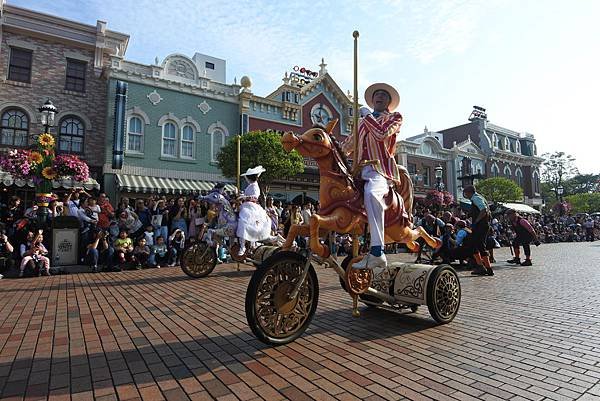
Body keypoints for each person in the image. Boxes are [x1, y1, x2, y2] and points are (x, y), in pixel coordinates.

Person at [341, 83, 409, 269]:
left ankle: (377, 251)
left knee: (372, 194)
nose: (378, 97)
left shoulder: (394, 117)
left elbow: (381, 134)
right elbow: (347, 146)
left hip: (379, 170)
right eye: (376, 95)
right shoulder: (362, 123)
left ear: (389, 101)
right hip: (358, 172)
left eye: (383, 95)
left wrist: (367, 116)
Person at [236, 166, 272, 256]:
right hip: (246, 205)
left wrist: (244, 197)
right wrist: (241, 194)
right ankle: (248, 245)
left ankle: (243, 246)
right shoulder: (251, 185)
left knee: (243, 223)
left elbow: (255, 197)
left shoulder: (255, 185)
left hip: (251, 207)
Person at [463, 185, 494, 276]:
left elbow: (483, 210)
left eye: (466, 193)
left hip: (481, 226)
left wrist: (476, 221)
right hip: (481, 226)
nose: (466, 195)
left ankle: (488, 268)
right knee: (473, 246)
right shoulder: (478, 198)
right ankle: (480, 266)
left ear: (469, 192)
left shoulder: (476, 198)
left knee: (480, 246)